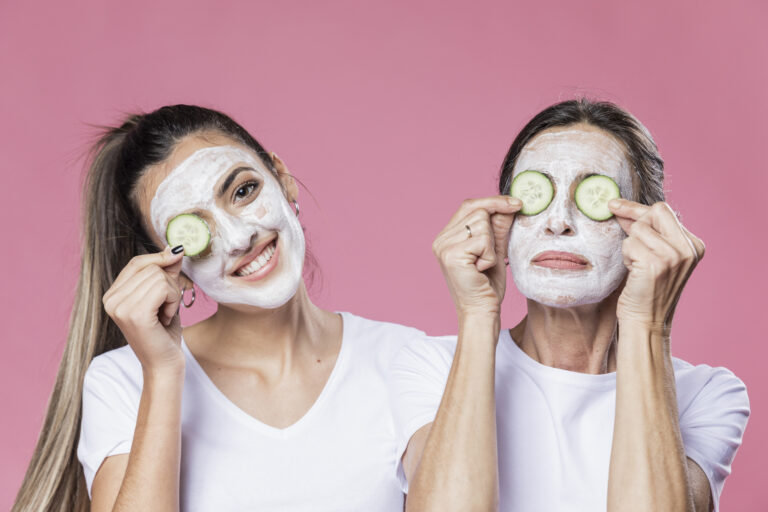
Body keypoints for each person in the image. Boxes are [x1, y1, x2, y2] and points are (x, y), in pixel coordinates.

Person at [13, 104, 425, 512]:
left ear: (282, 179)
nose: (239, 239)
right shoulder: (125, 381)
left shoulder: (406, 359)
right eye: (195, 230)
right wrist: (163, 373)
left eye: (243, 191)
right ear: (171, 264)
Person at [389, 99, 750, 512]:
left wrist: (648, 325)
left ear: (645, 230)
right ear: (501, 224)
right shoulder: (431, 367)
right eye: (537, 194)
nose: (558, 220)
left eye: (591, 195)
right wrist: (477, 315)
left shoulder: (705, 393)